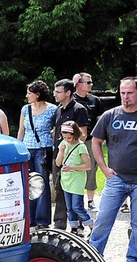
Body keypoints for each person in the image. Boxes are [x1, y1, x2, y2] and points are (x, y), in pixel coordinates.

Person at [89, 76, 137, 262]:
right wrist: (104, 169)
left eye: (129, 93)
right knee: (103, 218)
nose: (125, 97)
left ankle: (134, 260)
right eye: (122, 92)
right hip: (116, 178)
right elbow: (96, 142)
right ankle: (93, 257)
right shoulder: (110, 115)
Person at [16, 80, 57, 228]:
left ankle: (42, 220)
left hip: (43, 149)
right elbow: (21, 130)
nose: (26, 95)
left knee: (42, 184)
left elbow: (55, 130)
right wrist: (18, 148)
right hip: (27, 149)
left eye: (29, 93)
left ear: (37, 94)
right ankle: (29, 218)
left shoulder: (52, 110)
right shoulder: (25, 109)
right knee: (28, 184)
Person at [51, 79, 89, 230]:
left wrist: (69, 144)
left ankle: (79, 225)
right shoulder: (58, 109)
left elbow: (84, 134)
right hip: (58, 155)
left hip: (73, 158)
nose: (55, 94)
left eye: (58, 92)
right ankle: (59, 224)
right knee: (59, 189)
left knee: (74, 194)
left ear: (68, 93)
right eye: (55, 91)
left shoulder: (79, 109)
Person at [54, 121, 93, 236]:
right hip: (66, 180)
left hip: (77, 180)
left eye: (69, 137)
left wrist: (72, 167)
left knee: (77, 206)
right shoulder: (63, 143)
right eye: (64, 137)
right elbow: (58, 163)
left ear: (75, 134)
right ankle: (74, 228)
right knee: (69, 207)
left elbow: (88, 166)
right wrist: (61, 151)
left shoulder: (81, 146)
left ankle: (92, 226)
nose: (67, 140)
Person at [73, 72, 104, 210]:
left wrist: (101, 137)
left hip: (91, 140)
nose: (91, 84)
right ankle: (75, 200)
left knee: (91, 168)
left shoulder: (95, 100)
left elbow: (100, 119)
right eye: (88, 82)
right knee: (74, 169)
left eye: (91, 82)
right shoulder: (70, 98)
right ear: (79, 84)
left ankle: (90, 200)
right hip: (72, 141)